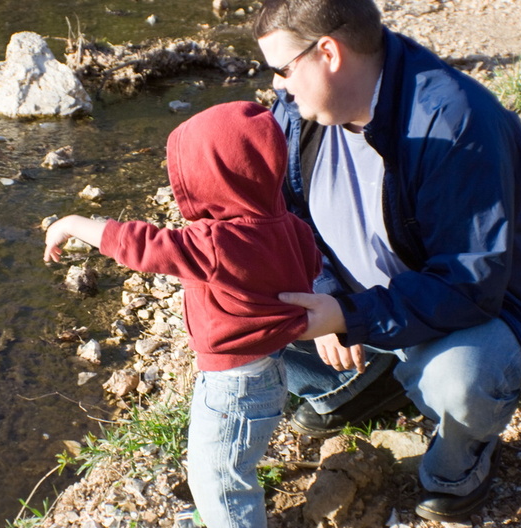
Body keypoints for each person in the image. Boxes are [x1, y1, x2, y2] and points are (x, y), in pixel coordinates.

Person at [253, 0, 521, 522]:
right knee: (231, 308)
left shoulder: (454, 122)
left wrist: (346, 317)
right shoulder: (301, 113)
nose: (279, 87)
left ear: (328, 52)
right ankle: (375, 384)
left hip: (470, 314)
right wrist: (323, 288)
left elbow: (470, 284)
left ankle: (457, 467)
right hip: (365, 304)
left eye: (283, 70)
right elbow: (288, 212)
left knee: (466, 377)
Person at [44, 101, 322, 528]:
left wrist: (71, 222)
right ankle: (219, 515)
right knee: (226, 462)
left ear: (214, 177)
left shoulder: (216, 242)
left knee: (218, 478)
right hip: (267, 372)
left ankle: (226, 518)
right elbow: (311, 274)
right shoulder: (288, 225)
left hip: (234, 385)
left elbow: (142, 245)